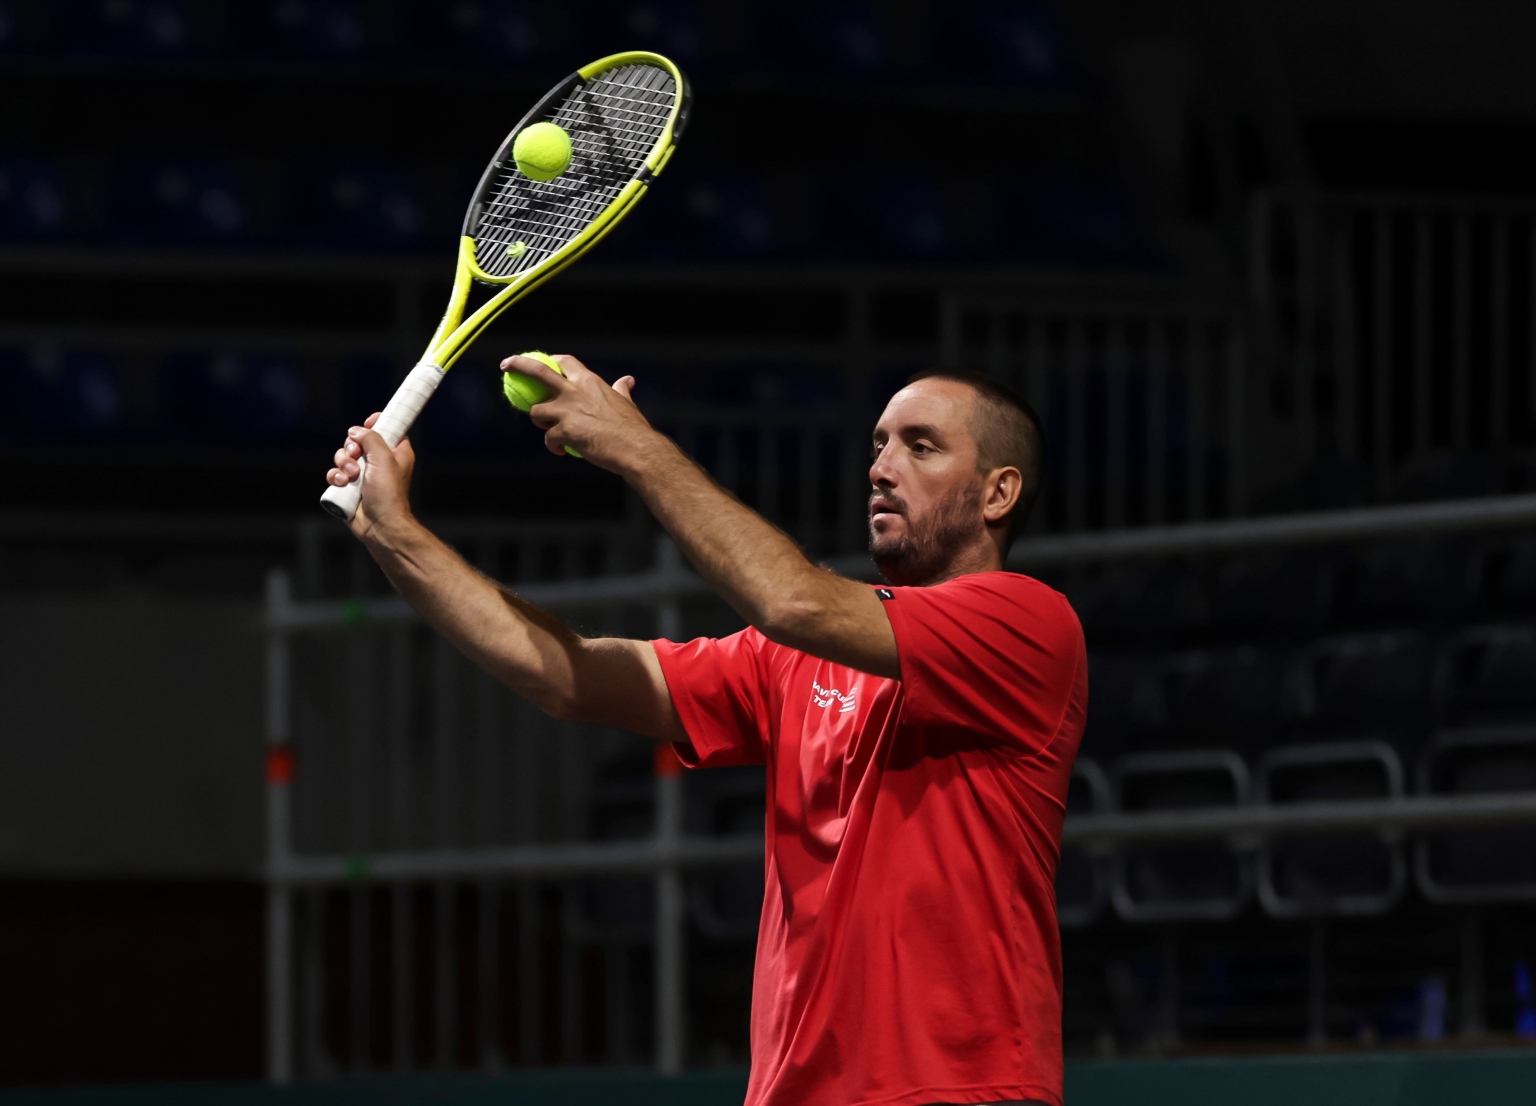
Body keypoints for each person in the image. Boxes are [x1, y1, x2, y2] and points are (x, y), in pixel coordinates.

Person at [325, 355, 1087, 1106]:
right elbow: (566, 677)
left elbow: (791, 600)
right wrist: (393, 532)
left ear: (999, 492)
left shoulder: (1028, 624)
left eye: (921, 447)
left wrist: (635, 447)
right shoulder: (795, 659)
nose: (882, 469)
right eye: (879, 445)